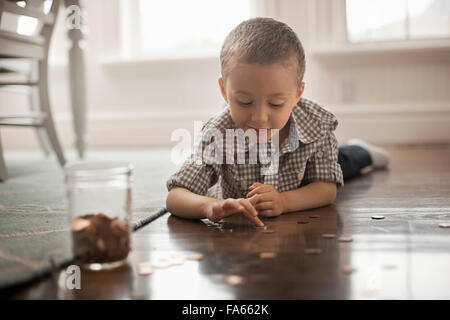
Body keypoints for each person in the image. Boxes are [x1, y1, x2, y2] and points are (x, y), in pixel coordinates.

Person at [166, 17, 389, 227]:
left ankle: (363, 150)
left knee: (346, 161)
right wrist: (209, 207)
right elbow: (176, 196)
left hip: (304, 176)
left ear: (297, 93)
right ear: (224, 91)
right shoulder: (217, 133)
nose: (260, 117)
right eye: (244, 102)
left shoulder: (317, 124)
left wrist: (284, 201)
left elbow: (326, 188)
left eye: (276, 103)